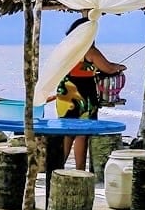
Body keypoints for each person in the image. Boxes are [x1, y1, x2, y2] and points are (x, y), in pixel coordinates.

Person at [53, 17, 125, 171]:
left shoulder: (66, 48)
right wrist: (119, 67)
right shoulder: (89, 50)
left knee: (67, 133)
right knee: (82, 134)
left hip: (65, 94)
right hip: (83, 96)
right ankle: (80, 170)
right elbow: (107, 68)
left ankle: (58, 168)